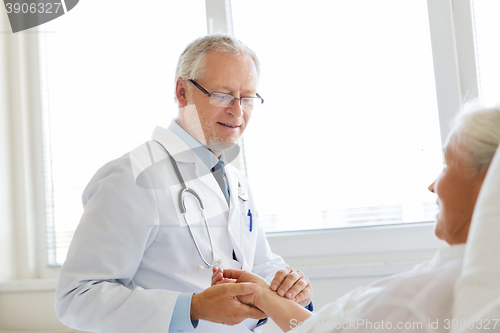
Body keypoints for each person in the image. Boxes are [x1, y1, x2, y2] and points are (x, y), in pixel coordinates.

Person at [55, 34, 313, 333]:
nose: (238, 111)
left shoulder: (234, 180)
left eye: (248, 98)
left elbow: (258, 265)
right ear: (182, 92)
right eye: (222, 95)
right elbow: (77, 299)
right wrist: (194, 307)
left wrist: (289, 286)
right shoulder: (132, 175)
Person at [212, 102, 500, 332]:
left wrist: (262, 295)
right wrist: (263, 295)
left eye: (447, 165)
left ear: (487, 182)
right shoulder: (471, 277)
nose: (433, 185)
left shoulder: (428, 294)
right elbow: (323, 328)